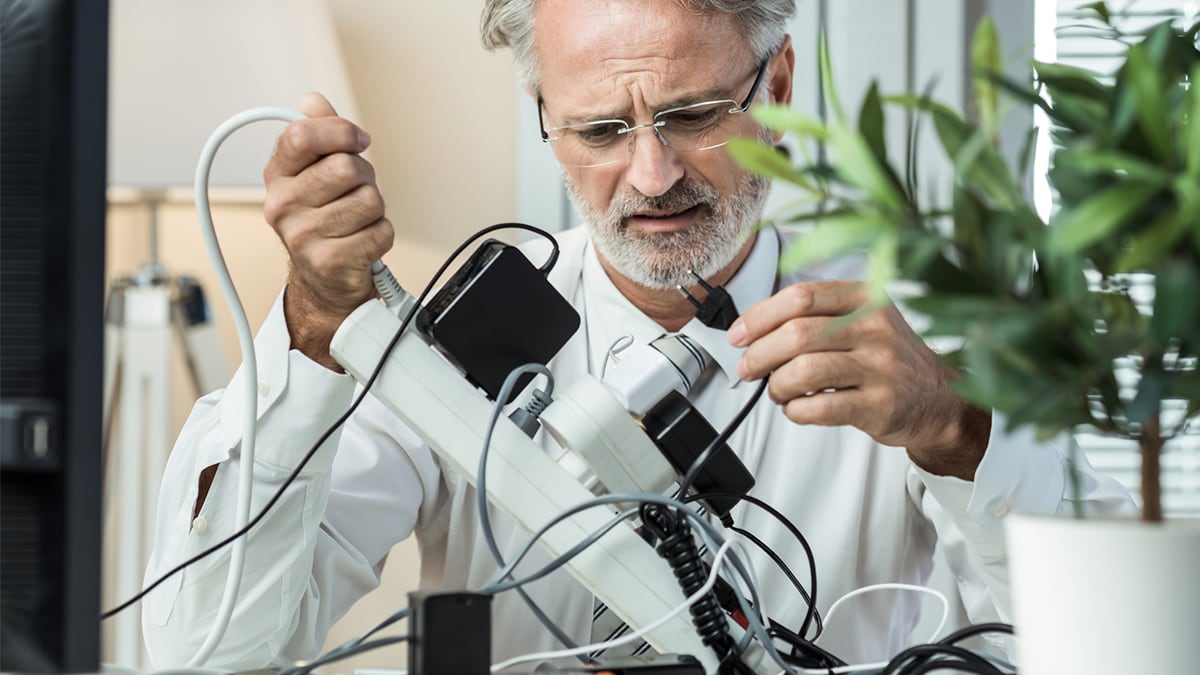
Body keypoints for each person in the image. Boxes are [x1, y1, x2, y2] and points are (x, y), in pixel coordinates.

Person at [143, 0, 1133, 670]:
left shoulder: (922, 326)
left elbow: (1100, 643)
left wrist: (962, 429)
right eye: (600, 131)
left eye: (695, 114)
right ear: (545, 115)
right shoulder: (444, 349)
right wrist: (316, 334)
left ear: (779, 84)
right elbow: (206, 650)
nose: (653, 176)